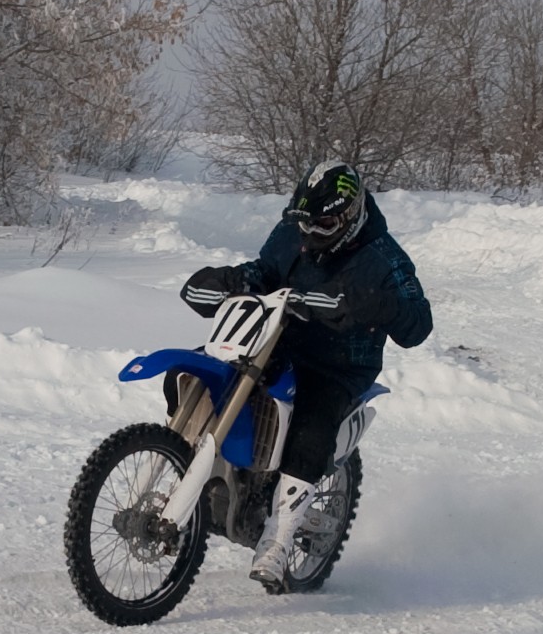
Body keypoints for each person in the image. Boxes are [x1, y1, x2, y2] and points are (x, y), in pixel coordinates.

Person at [177, 160, 434, 585]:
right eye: (304, 222)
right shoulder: (290, 232)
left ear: (351, 216)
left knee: (312, 427)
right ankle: (185, 465)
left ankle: (278, 541)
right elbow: (266, 271)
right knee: (206, 373)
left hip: (337, 364)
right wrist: (235, 280)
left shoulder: (385, 259)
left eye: (324, 224)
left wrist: (378, 303)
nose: (310, 232)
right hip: (274, 341)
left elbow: (419, 324)